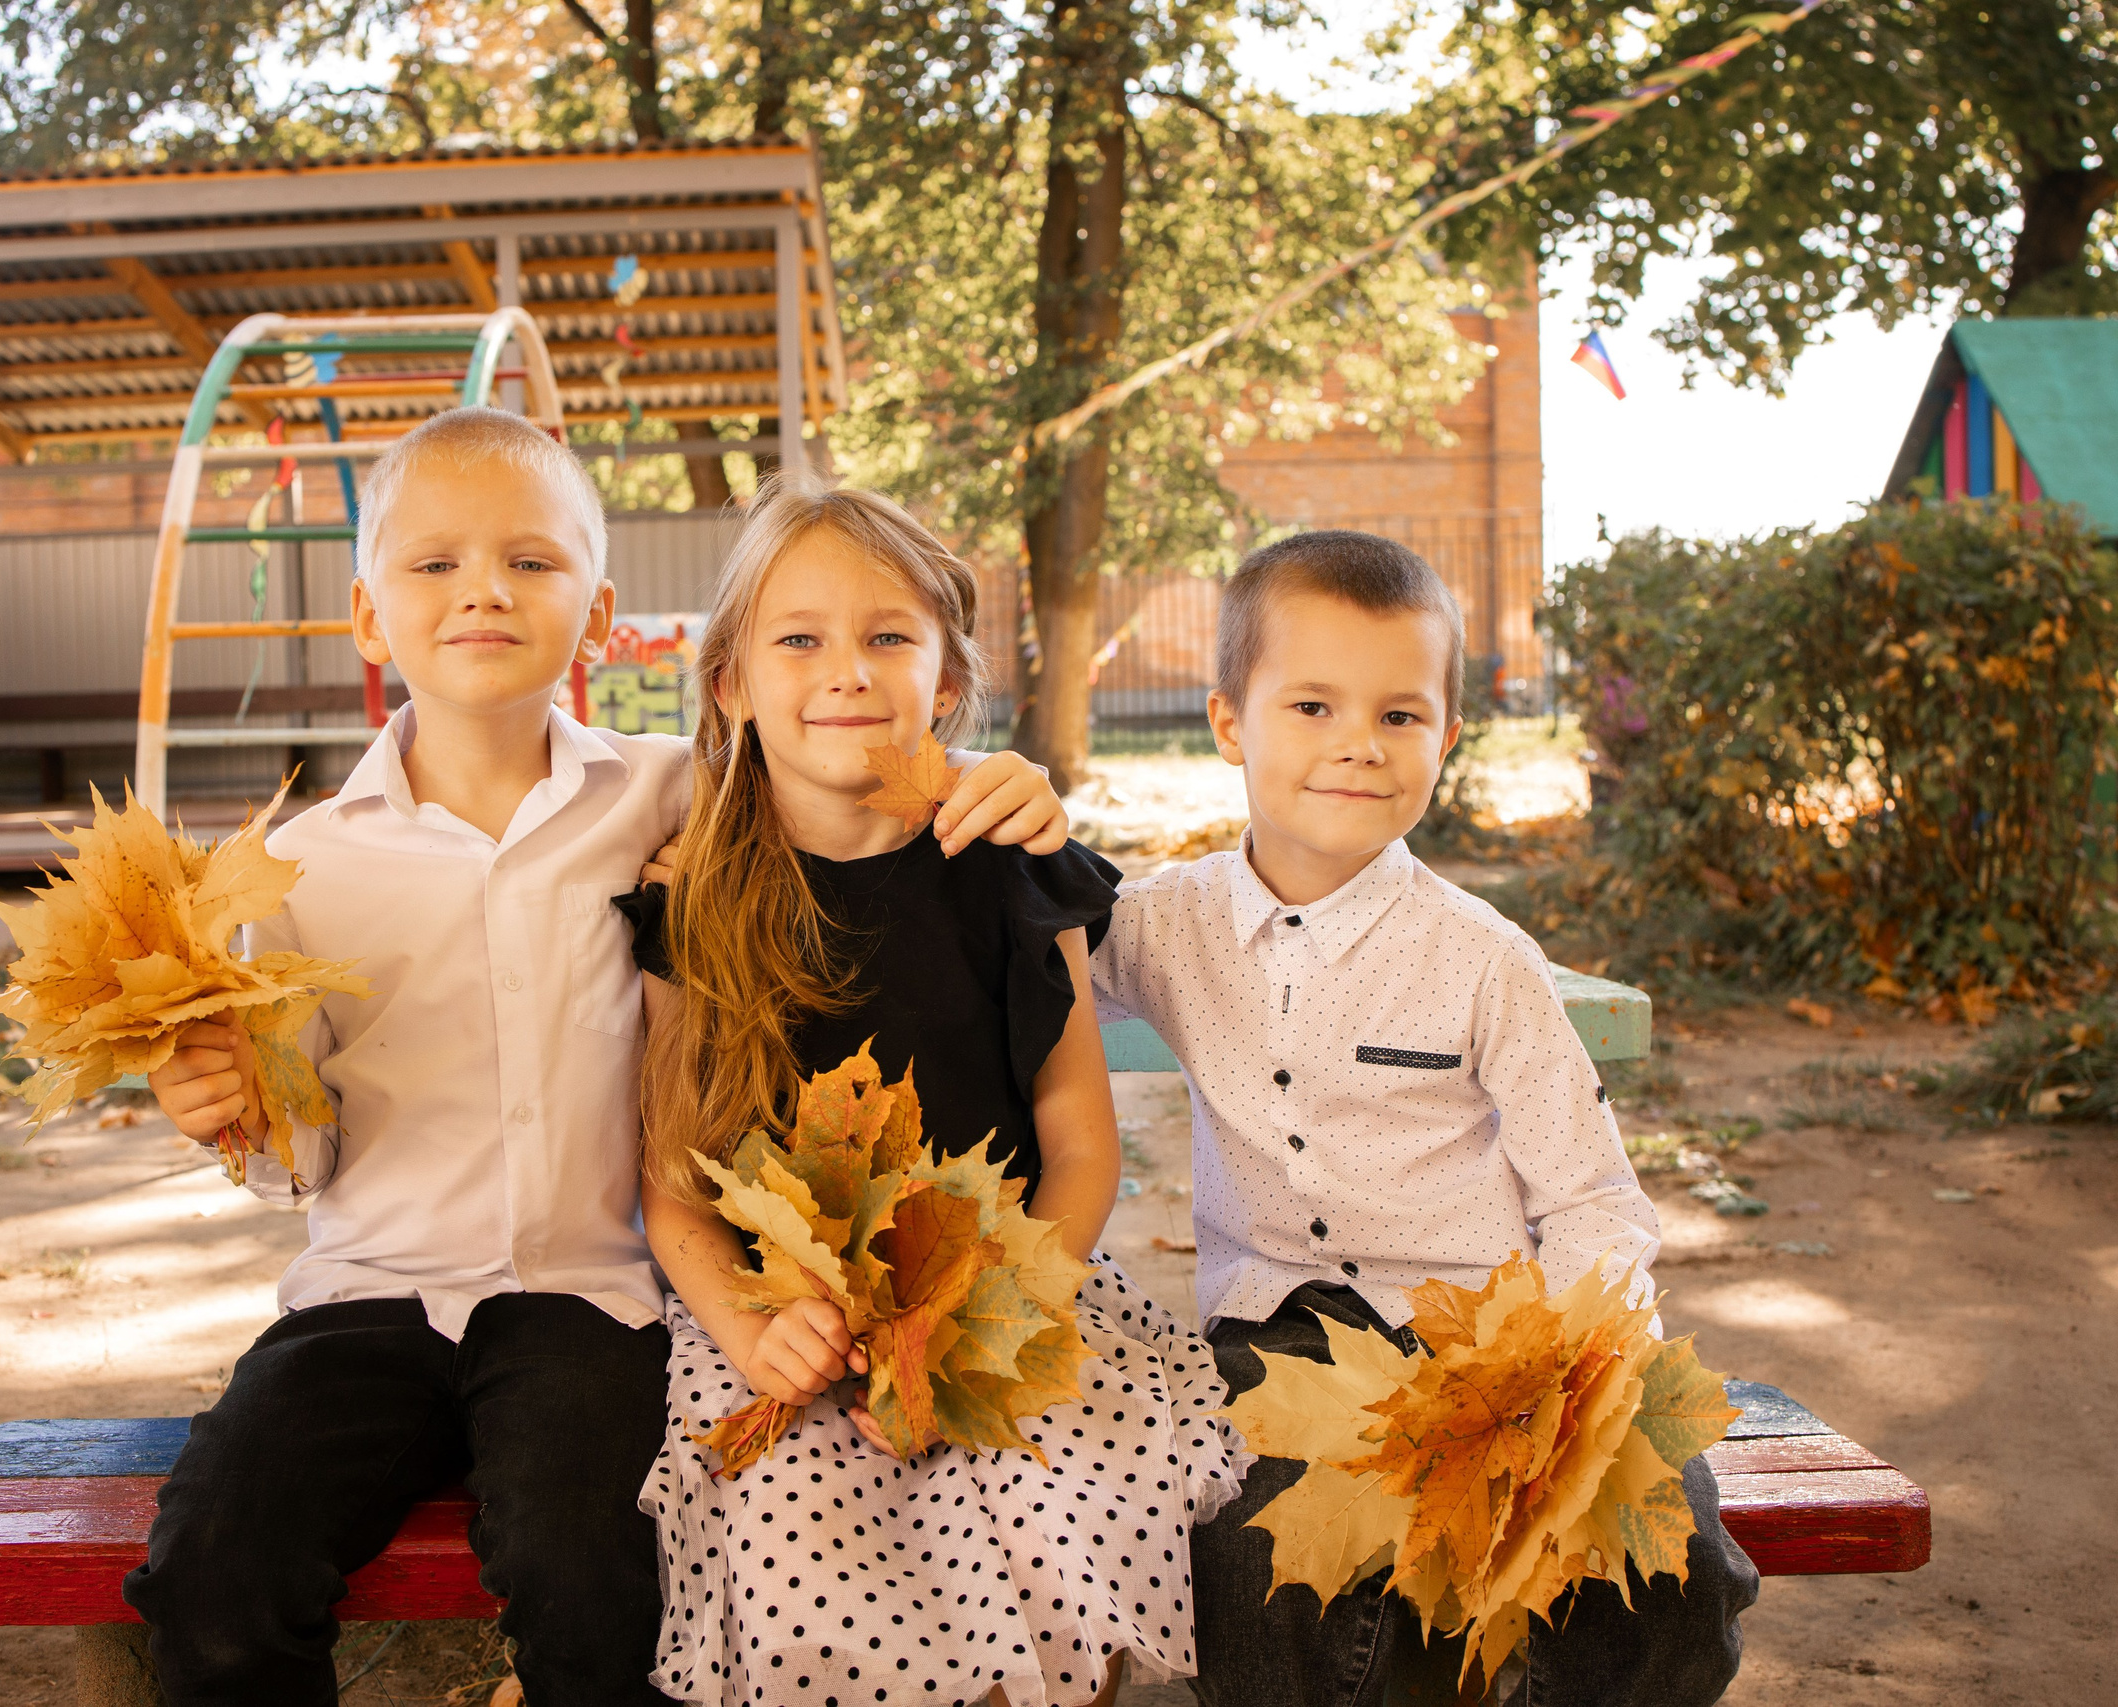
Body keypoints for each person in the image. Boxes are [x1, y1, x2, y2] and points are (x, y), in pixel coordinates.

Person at [127, 408, 1071, 1707]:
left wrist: (988, 776)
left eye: (530, 560)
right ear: (366, 617)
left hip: (590, 1305)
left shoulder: (674, 791)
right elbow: (302, 1154)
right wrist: (232, 1108)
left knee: (595, 1587)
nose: (484, 591)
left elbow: (845, 763)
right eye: (435, 563)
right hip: (362, 1300)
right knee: (213, 1574)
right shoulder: (295, 867)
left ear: (600, 613)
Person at [1088, 530, 1760, 1707]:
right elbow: (1015, 939)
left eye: (1400, 715)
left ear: (1444, 738)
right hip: (1279, 1337)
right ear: (1229, 723)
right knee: (1253, 1562)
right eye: (1311, 705)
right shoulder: (1162, 927)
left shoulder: (1483, 960)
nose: (1358, 742)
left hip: (1499, 1335)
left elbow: (1593, 1200)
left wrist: (1563, 1379)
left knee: (1660, 1568)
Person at [622, 480, 1251, 1707]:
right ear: (731, 684)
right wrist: (753, 1337)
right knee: (807, 1556)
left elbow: (1081, 1149)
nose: (845, 670)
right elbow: (671, 1189)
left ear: (947, 680)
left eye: (887, 636)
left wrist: (977, 1329)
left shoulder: (1013, 872)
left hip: (1011, 1290)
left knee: (1052, 1517)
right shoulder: (691, 899)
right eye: (797, 639)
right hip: (787, 1328)